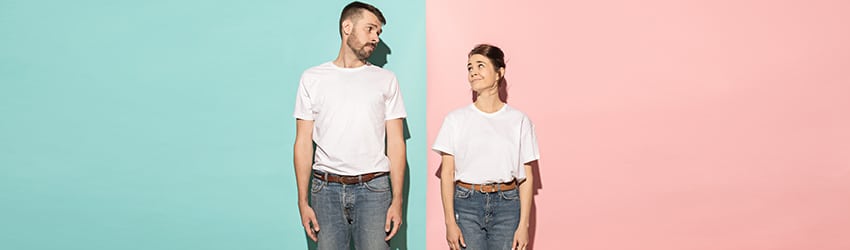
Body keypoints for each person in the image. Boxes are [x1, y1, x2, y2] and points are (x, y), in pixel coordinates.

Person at [292, 2, 406, 249]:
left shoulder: (386, 80)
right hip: (325, 190)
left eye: (378, 33)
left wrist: (397, 200)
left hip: (374, 189)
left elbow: (396, 143)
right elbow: (303, 142)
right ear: (347, 27)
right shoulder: (312, 79)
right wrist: (303, 201)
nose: (375, 38)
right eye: (370, 29)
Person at [433, 44, 539, 250]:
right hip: (467, 204)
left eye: (480, 66)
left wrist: (524, 224)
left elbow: (526, 176)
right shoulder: (455, 119)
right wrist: (450, 223)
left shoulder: (519, 121)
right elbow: (447, 174)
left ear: (500, 72)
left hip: (508, 204)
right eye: (469, 68)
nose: (473, 72)